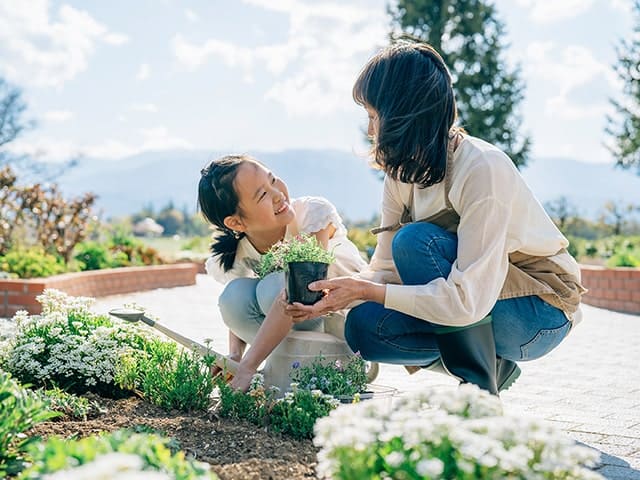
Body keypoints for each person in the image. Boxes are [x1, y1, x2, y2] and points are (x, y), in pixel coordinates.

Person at [287, 42, 586, 395]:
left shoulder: (481, 168)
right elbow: (385, 270)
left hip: (539, 314)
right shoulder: (400, 175)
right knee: (364, 327)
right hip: (476, 304)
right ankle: (491, 366)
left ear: (401, 114)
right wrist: (340, 294)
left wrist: (370, 290)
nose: (370, 131)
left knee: (415, 242)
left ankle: (478, 395)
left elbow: (466, 302)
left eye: (373, 116)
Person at [198, 154, 367, 391]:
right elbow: (237, 311)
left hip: (342, 325)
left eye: (273, 180)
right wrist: (235, 356)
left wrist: (248, 367)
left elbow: (298, 295)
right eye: (263, 194)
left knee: (274, 287)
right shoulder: (237, 252)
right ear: (236, 223)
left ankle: (337, 367)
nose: (277, 194)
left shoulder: (310, 215)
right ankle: (291, 369)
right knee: (234, 295)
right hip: (295, 329)